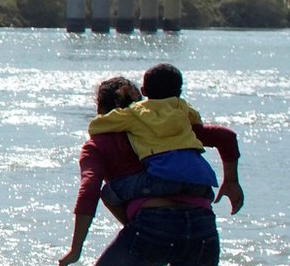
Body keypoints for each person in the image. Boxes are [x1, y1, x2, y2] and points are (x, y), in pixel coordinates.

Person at [59, 76, 244, 266]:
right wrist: (231, 180)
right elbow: (225, 137)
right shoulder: (172, 128)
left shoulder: (98, 144)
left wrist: (76, 249)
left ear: (101, 111)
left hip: (153, 228)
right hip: (202, 228)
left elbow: (89, 191)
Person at [87, 63, 216, 215]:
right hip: (202, 179)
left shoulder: (135, 114)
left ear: (144, 91)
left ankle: (131, 226)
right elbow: (197, 120)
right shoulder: (182, 107)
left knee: (109, 193)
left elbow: (96, 126)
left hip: (162, 178)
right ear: (180, 92)